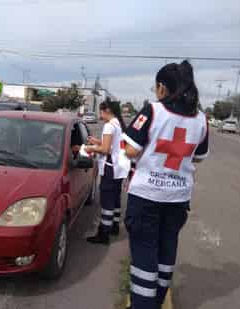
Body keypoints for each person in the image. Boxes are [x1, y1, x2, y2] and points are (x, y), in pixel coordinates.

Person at [123, 60, 209, 309]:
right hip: (178, 199)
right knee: (166, 250)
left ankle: (141, 305)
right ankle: (156, 302)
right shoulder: (201, 119)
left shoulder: (152, 110)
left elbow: (130, 150)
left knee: (144, 255)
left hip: (147, 197)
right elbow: (199, 157)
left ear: (162, 87)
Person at [85, 98, 127, 245]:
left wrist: (88, 148)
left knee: (107, 201)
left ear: (107, 110)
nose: (100, 115)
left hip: (110, 167)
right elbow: (112, 145)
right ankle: (114, 226)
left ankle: (104, 233)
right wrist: (97, 141)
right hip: (119, 168)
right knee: (115, 198)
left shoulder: (109, 126)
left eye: (101, 111)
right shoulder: (119, 124)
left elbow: (106, 149)